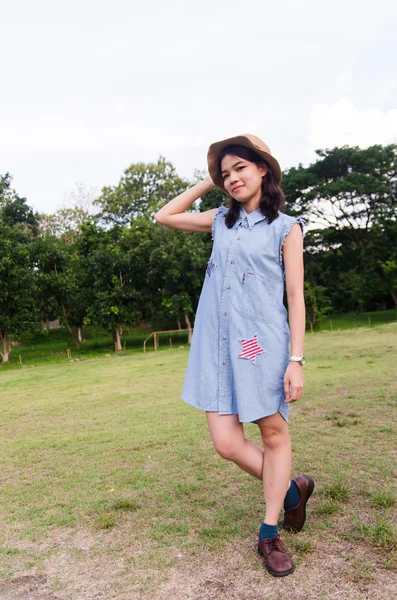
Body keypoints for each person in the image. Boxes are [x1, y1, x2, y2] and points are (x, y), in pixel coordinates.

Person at [154, 134, 314, 577]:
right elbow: (163, 216)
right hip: (217, 346)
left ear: (263, 169)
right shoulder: (220, 222)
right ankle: (292, 492)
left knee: (272, 435)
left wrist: (295, 360)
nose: (232, 178)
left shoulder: (287, 227)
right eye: (225, 173)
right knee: (226, 442)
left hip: (261, 345)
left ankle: (268, 533)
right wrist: (207, 182)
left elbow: (296, 295)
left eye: (240, 167)